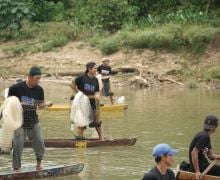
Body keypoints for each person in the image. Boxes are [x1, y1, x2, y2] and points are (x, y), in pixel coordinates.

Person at [8, 67, 53, 171]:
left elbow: (41, 104)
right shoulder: (16, 88)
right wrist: (19, 103)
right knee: (18, 146)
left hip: (33, 120)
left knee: (40, 143)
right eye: (36, 78)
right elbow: (8, 103)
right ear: (29, 77)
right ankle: (16, 168)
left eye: (39, 78)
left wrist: (46, 104)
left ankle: (38, 165)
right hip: (19, 121)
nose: (38, 80)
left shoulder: (39, 89)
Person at [71, 61, 103, 140]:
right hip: (82, 102)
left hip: (92, 102)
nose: (96, 69)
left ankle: (101, 138)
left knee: (96, 121)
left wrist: (97, 94)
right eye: (94, 68)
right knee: (82, 121)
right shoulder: (82, 77)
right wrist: (78, 93)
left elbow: (96, 90)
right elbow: (72, 84)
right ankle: (80, 137)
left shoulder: (95, 80)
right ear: (89, 69)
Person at [189, 115, 220, 179]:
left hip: (204, 165)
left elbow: (210, 156)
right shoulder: (204, 136)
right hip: (201, 167)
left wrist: (218, 157)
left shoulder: (205, 136)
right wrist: (197, 171)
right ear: (214, 127)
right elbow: (194, 153)